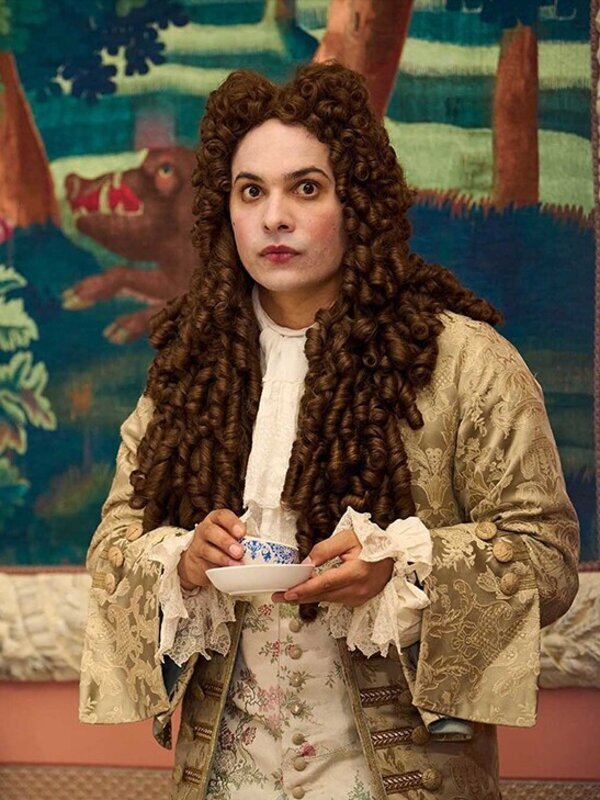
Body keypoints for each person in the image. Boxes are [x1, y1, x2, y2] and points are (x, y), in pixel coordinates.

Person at [79, 62, 579, 800]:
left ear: (358, 201)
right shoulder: (188, 369)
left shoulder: (465, 363)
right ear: (225, 209)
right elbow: (112, 551)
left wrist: (399, 567)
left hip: (405, 781)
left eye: (306, 188)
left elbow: (548, 559)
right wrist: (184, 563)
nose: (274, 218)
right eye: (252, 191)